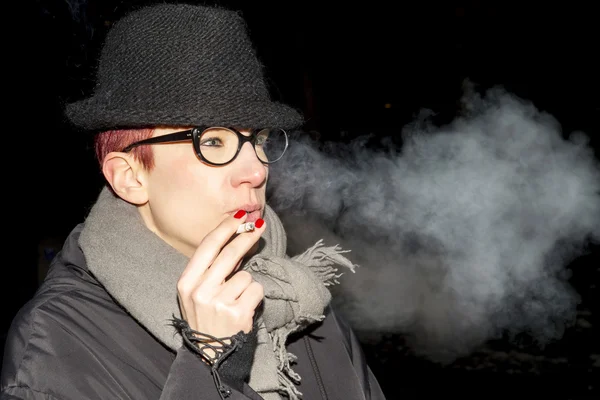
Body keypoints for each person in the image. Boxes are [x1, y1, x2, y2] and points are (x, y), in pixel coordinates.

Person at [1, 3, 386, 400]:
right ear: (131, 177)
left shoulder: (297, 295)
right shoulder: (56, 346)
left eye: (258, 140)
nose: (256, 171)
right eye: (213, 141)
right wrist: (212, 363)